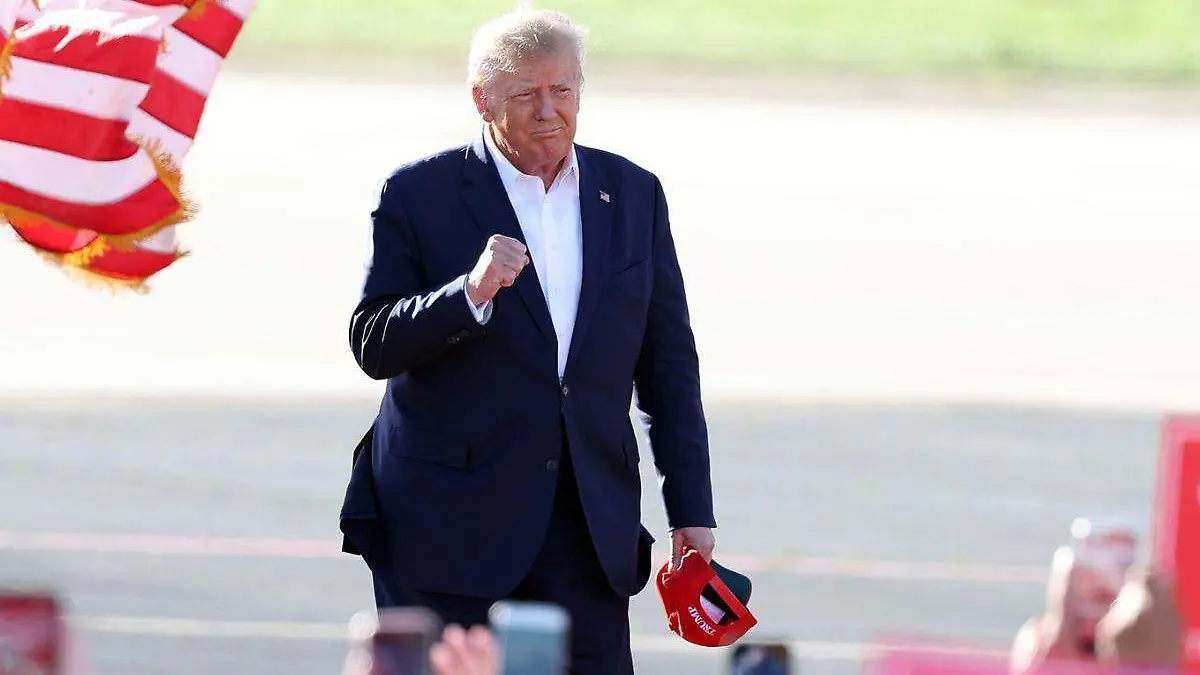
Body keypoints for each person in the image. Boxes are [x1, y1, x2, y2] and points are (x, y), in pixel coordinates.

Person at [339, 8, 718, 674]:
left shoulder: (632, 194)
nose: (548, 111)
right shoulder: (417, 194)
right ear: (482, 100)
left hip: (585, 524)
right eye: (525, 94)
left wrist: (691, 507)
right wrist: (470, 293)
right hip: (450, 529)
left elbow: (668, 366)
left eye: (562, 90)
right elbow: (373, 341)